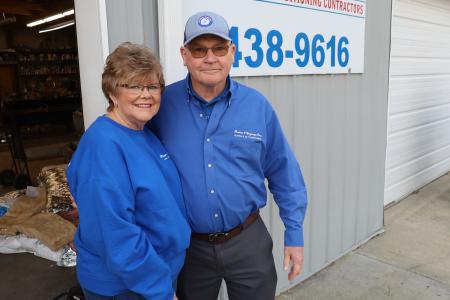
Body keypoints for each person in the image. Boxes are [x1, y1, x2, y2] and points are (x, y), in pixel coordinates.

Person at [151, 11, 308, 300]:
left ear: (232, 52)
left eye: (219, 48)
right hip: (189, 248)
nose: (210, 58)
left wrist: (294, 233)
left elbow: (284, 172)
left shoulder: (257, 107)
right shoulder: (161, 107)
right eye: (199, 49)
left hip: (247, 242)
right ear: (184, 55)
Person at [66, 42, 190, 300]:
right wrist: (161, 290)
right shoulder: (103, 146)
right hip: (127, 287)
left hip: (156, 273)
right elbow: (117, 235)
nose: (146, 94)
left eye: (153, 86)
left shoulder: (143, 133)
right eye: (134, 85)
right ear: (112, 92)